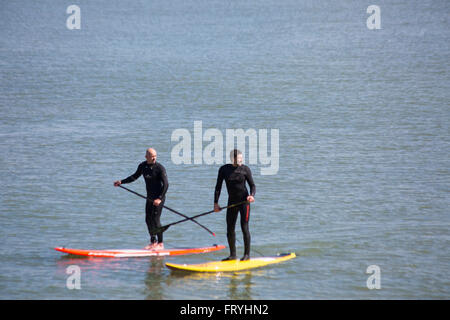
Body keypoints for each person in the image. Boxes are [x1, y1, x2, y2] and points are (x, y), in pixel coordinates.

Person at [114, 148, 169, 250]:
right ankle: (153, 242)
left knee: (156, 220)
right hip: (149, 198)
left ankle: (161, 244)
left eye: (155, 156)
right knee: (148, 219)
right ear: (146, 157)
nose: (154, 158)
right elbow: (134, 177)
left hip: (159, 198)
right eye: (152, 156)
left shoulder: (160, 168)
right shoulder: (143, 166)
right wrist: (121, 182)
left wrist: (159, 198)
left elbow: (166, 184)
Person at [214, 149, 256, 261]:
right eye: (239, 159)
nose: (241, 161)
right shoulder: (224, 169)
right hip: (231, 202)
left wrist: (251, 195)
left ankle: (247, 255)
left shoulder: (245, 169)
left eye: (242, 159)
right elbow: (218, 187)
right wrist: (216, 203)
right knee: (230, 228)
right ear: (232, 159)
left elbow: (252, 185)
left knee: (244, 227)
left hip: (244, 202)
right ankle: (233, 255)